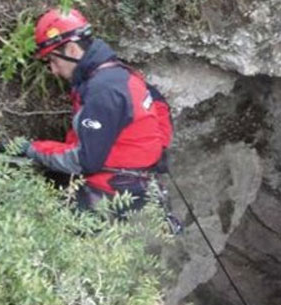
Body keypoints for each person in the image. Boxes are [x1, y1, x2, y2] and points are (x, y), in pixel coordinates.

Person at [24, 8, 173, 214]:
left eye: (53, 60)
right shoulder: (120, 73)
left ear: (72, 49)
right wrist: (155, 149)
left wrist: (32, 149)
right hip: (140, 187)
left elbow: (86, 161)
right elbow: (159, 103)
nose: (54, 70)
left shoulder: (102, 90)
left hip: (110, 195)